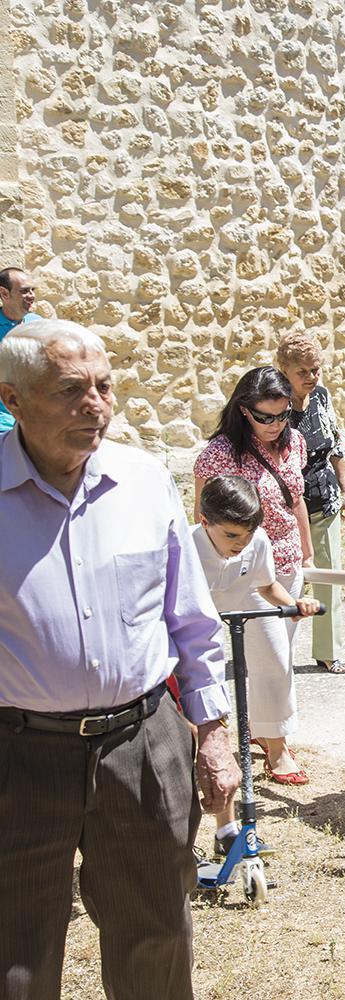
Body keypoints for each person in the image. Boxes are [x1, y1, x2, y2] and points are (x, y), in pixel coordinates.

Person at [0, 319, 238, 1000]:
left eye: (104, 386)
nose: (96, 405)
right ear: (12, 398)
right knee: (14, 953)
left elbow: (191, 620)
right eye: (70, 390)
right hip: (17, 753)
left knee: (155, 935)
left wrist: (213, 734)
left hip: (142, 744)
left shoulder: (143, 480)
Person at [194, 366, 315, 784]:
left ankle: (265, 732)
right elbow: (205, 515)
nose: (275, 424)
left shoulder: (294, 442)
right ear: (244, 410)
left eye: (283, 414)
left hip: (287, 560)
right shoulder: (220, 454)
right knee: (271, 659)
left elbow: (295, 499)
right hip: (244, 567)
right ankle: (275, 748)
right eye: (265, 416)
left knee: (278, 660)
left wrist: (307, 553)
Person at [192, 475, 320, 846]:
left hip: (237, 608)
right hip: (194, 631)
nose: (241, 544)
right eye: (231, 535)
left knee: (274, 662)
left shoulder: (257, 541)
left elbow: (265, 585)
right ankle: (213, 827)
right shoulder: (183, 545)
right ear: (205, 521)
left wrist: (293, 605)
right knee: (207, 720)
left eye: (247, 535)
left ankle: (229, 828)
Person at [276, 332, 345, 675]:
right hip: (284, 504)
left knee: (328, 575)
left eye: (315, 369)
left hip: (324, 497)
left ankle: (328, 651)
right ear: (284, 370)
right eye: (302, 371)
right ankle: (274, 648)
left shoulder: (321, 396)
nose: (311, 377)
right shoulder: (274, 404)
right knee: (283, 578)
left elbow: (335, 446)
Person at [0, 267, 41, 434]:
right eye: (24, 291)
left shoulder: (39, 325)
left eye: (32, 290)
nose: (31, 295)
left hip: (35, 421)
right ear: (4, 293)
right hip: (3, 423)